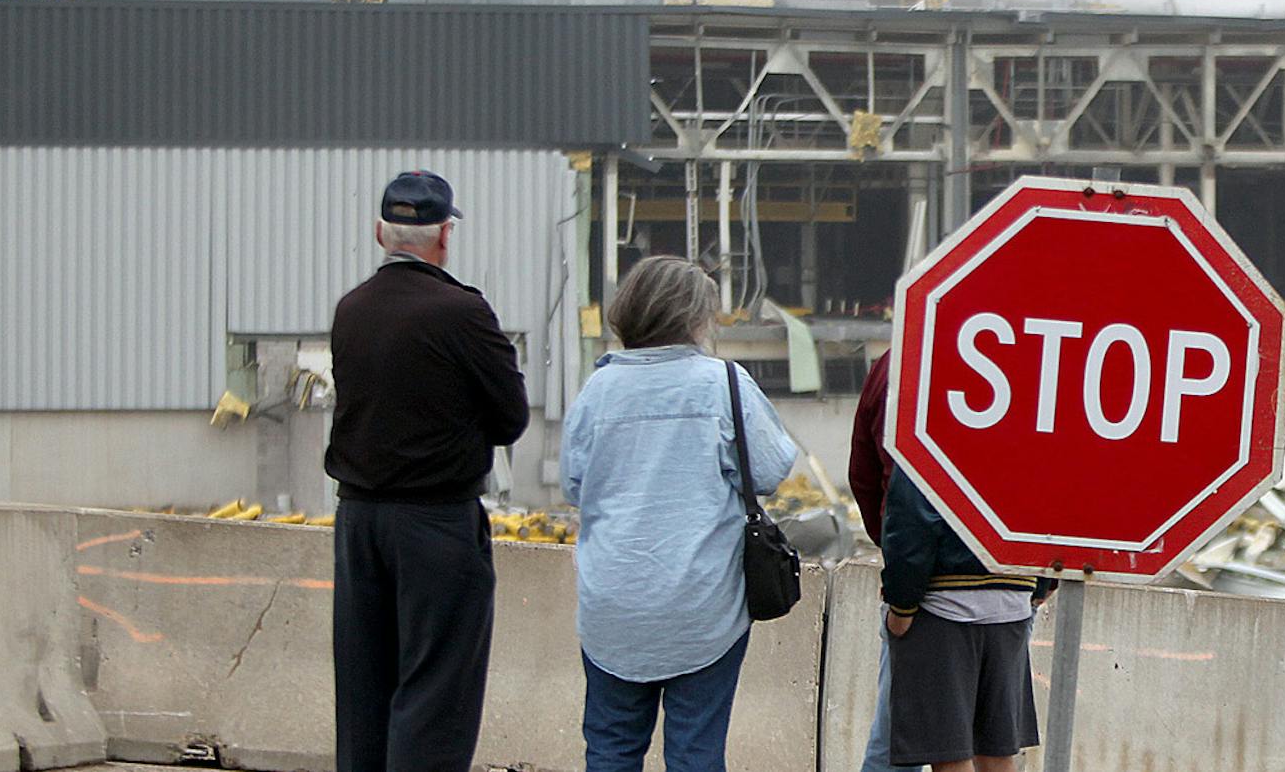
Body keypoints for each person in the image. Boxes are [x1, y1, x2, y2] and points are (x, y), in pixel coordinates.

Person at [326, 170, 530, 772]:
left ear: (379, 233)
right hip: (437, 521)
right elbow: (511, 416)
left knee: (364, 687)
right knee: (436, 689)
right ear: (445, 235)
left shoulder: (351, 310)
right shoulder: (461, 312)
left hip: (358, 521)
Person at [562, 256, 797, 772]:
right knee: (695, 754)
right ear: (694, 318)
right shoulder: (721, 384)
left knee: (610, 749)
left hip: (613, 607)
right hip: (701, 606)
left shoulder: (595, 392)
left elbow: (573, 486)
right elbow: (771, 470)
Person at [881, 467, 1051, 772]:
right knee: (997, 752)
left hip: (942, 602)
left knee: (949, 753)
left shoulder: (928, 424)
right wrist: (1041, 581)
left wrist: (902, 606)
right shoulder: (1026, 428)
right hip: (1014, 595)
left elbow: (911, 518)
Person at [847, 350, 921, 772]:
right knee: (987, 744)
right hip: (1007, 588)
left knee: (897, 740)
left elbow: (870, 477)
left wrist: (902, 596)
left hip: (923, 587)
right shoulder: (1022, 350)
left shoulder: (897, 362)